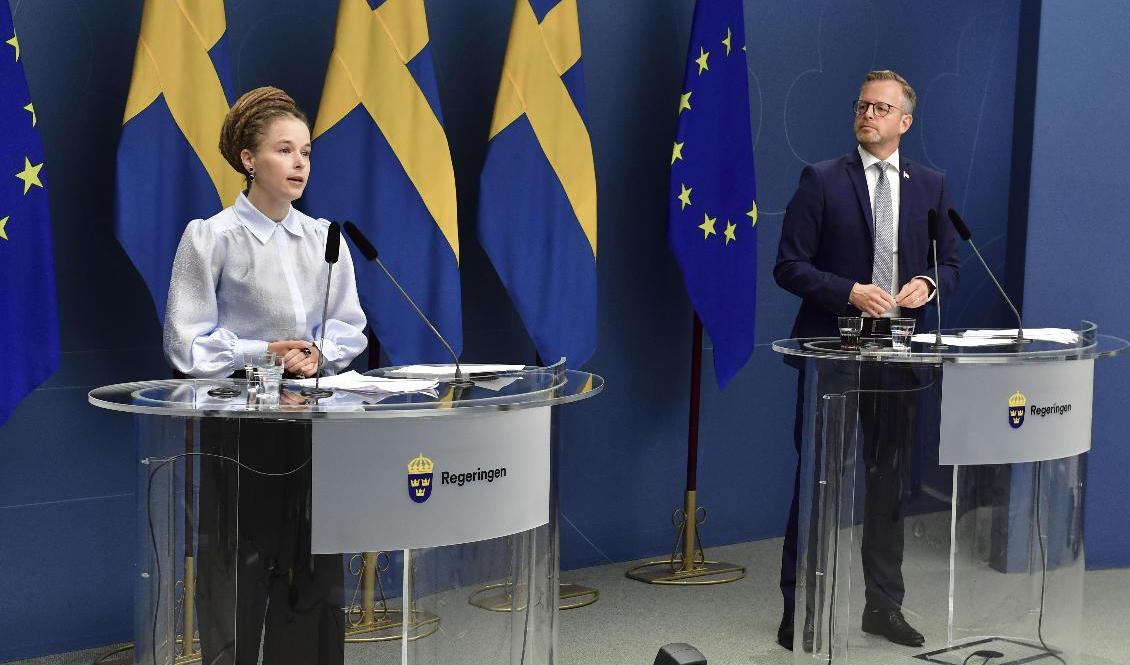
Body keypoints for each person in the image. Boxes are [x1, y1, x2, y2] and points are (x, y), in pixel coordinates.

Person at [163, 86, 367, 665]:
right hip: (241, 427)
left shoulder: (324, 237)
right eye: (285, 150)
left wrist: (315, 355)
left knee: (313, 562)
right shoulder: (212, 237)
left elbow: (350, 327)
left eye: (305, 151)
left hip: (312, 418)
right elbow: (186, 342)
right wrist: (263, 354)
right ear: (249, 160)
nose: (300, 162)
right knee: (244, 563)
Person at [773, 70, 960, 651]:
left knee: (888, 486)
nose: (869, 114)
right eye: (863, 105)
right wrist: (849, 291)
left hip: (899, 357)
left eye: (882, 108)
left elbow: (949, 262)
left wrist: (928, 283)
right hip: (833, 355)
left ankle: (884, 607)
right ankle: (798, 608)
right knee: (819, 484)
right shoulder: (822, 180)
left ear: (905, 121)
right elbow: (788, 266)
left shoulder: (930, 185)